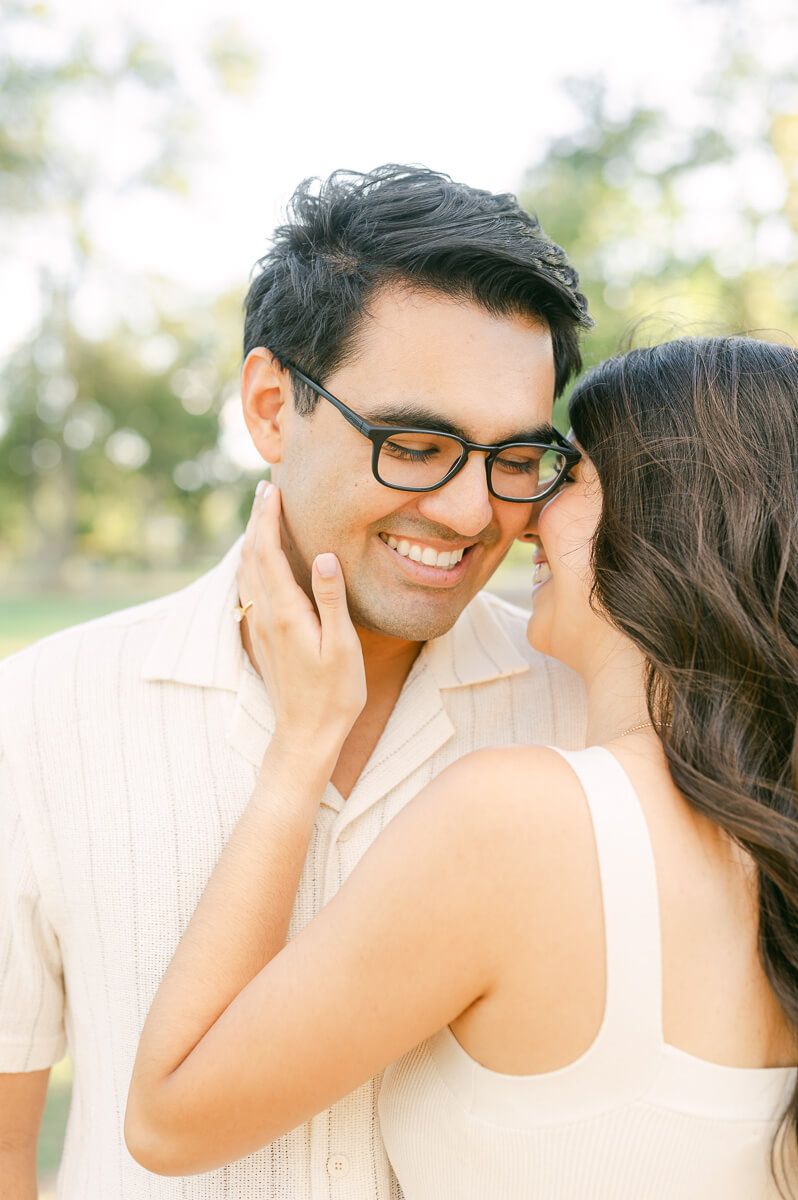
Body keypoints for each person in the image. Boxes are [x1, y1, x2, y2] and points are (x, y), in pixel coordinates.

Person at [0, 165, 592, 1198]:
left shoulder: (584, 712)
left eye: (515, 458)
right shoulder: (43, 713)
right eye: (415, 444)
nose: (467, 513)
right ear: (273, 408)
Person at [125, 335, 798, 1199]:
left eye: (565, 473)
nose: (510, 516)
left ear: (671, 517)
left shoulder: (521, 821)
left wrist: (301, 749)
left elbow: (171, 1115)